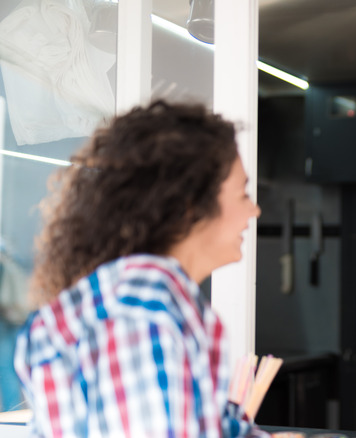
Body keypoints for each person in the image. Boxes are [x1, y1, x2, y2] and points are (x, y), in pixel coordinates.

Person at [14, 100, 261, 437]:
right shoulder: (139, 313)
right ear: (189, 205)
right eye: (243, 193)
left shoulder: (149, 304)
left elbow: (216, 424)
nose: (255, 211)